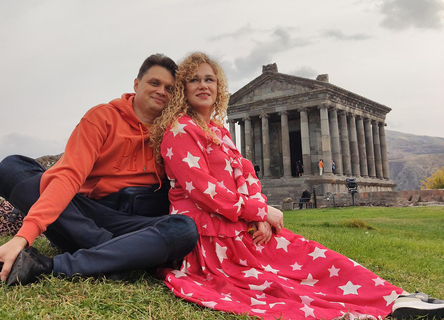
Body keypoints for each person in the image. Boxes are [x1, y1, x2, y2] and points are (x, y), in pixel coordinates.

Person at [149, 52, 444, 320]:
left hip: (241, 225)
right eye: (194, 79)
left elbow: (246, 173)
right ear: (183, 88)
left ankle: (397, 299)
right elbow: (203, 190)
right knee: (282, 280)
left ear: (218, 86)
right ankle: (375, 308)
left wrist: (259, 211)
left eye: (209, 79)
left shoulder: (217, 130)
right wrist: (259, 212)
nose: (203, 85)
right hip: (213, 236)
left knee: (313, 256)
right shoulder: (179, 130)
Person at [0, 54, 198, 286]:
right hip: (87, 214)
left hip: (136, 222)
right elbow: (69, 175)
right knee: (12, 168)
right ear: (137, 84)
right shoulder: (102, 117)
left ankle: (57, 265)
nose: (161, 91)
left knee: (184, 228)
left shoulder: (178, 130)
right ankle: (115, 251)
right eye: (154, 83)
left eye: (170, 88)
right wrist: (23, 237)